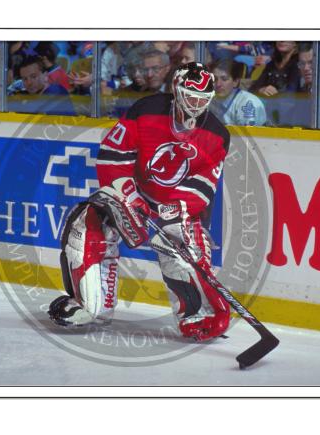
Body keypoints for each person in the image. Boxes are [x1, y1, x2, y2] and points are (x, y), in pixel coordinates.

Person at [48, 62, 232, 342]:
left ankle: (195, 315)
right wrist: (128, 196)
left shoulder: (218, 134)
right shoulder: (147, 110)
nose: (196, 105)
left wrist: (176, 209)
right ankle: (89, 304)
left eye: (203, 99)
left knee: (186, 250)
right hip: (133, 192)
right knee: (87, 226)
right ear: (176, 90)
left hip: (177, 205)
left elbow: (204, 184)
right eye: (191, 97)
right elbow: (113, 155)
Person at [9, 55, 81, 116]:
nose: (29, 82)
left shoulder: (57, 92)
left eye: (34, 76)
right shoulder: (30, 99)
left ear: (45, 76)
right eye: (25, 79)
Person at [208, 58, 267, 126]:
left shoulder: (247, 102)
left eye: (224, 79)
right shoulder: (210, 100)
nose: (218, 84)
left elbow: (248, 136)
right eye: (214, 79)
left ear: (235, 82)